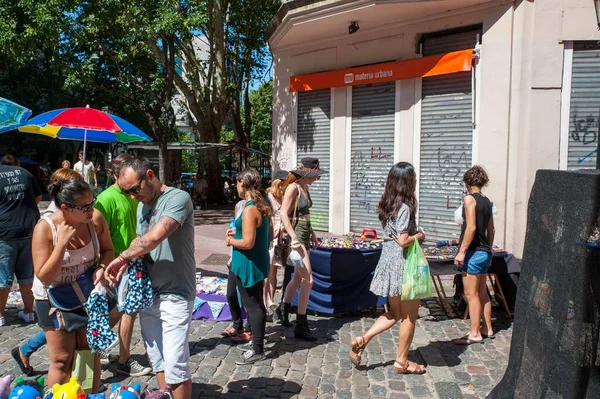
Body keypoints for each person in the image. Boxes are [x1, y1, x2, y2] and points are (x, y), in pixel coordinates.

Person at [105, 157, 195, 399]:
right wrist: (127, 265)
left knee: (176, 365)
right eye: (127, 192)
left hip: (176, 291)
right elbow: (140, 239)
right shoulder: (141, 204)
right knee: (159, 361)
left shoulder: (178, 198)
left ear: (150, 175)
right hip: (148, 294)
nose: (133, 196)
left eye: (135, 189)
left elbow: (156, 236)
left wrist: (123, 257)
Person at [32, 178, 113, 391]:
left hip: (85, 293)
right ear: (66, 208)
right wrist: (61, 245)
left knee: (89, 351)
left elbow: (108, 250)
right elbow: (44, 277)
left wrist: (102, 268)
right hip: (52, 298)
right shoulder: (45, 228)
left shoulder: (95, 220)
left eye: (92, 203)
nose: (91, 210)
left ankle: (86, 394)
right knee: (62, 358)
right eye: (84, 207)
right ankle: (58, 395)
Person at [349, 162, 426, 374]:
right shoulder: (405, 207)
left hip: (388, 260)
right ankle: (402, 362)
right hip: (403, 264)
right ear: (408, 182)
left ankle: (362, 339)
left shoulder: (386, 204)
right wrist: (419, 235)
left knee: (395, 312)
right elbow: (403, 240)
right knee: (409, 316)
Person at [94, 154, 152, 376]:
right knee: (128, 310)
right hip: (118, 266)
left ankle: (97, 343)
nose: (133, 192)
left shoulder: (135, 193)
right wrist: (104, 266)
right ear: (116, 174)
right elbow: (98, 236)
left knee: (123, 310)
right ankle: (124, 360)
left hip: (135, 262)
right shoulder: (106, 199)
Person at [274, 157, 326, 341]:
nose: (317, 178)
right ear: (307, 173)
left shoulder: (304, 188)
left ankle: (283, 308)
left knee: (297, 277)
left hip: (303, 234)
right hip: (297, 237)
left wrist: (311, 232)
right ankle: (301, 324)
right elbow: (283, 214)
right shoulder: (293, 187)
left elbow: (304, 214)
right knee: (308, 279)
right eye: (316, 175)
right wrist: (294, 238)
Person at [226, 167, 272, 364]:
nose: (235, 186)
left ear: (242, 183)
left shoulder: (251, 208)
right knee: (254, 303)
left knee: (253, 305)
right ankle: (256, 344)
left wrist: (231, 242)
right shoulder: (257, 204)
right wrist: (234, 235)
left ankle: (258, 350)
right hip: (249, 261)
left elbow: (247, 242)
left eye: (236, 182)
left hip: (248, 262)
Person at [453, 165, 495, 345]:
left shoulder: (469, 199)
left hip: (473, 253)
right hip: (485, 252)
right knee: (482, 292)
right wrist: (489, 248)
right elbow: (491, 229)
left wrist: (462, 252)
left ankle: (475, 333)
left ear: (467, 182)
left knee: (471, 295)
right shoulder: (487, 201)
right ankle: (488, 328)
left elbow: (471, 227)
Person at [0, 154, 42, 327]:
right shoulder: (25, 173)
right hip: (30, 229)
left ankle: (0, 315)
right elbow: (38, 197)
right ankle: (29, 312)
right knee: (27, 276)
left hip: (5, 232)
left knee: (3, 278)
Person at [265, 170, 289, 316]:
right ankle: (267, 302)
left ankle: (272, 302)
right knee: (269, 272)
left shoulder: (285, 197)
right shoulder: (268, 198)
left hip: (282, 240)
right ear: (278, 183)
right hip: (271, 239)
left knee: (275, 272)